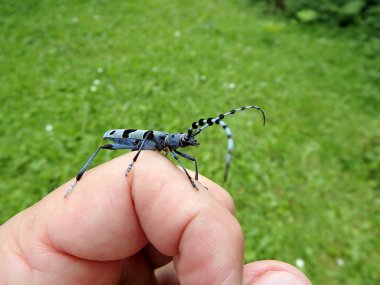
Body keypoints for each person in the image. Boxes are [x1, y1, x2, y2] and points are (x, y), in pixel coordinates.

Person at [0, 151, 312, 284]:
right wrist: (130, 165)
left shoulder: (175, 151)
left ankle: (192, 182)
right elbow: (147, 155)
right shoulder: (158, 145)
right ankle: (81, 176)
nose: (187, 147)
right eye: (184, 143)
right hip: (128, 145)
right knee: (113, 147)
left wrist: (191, 182)